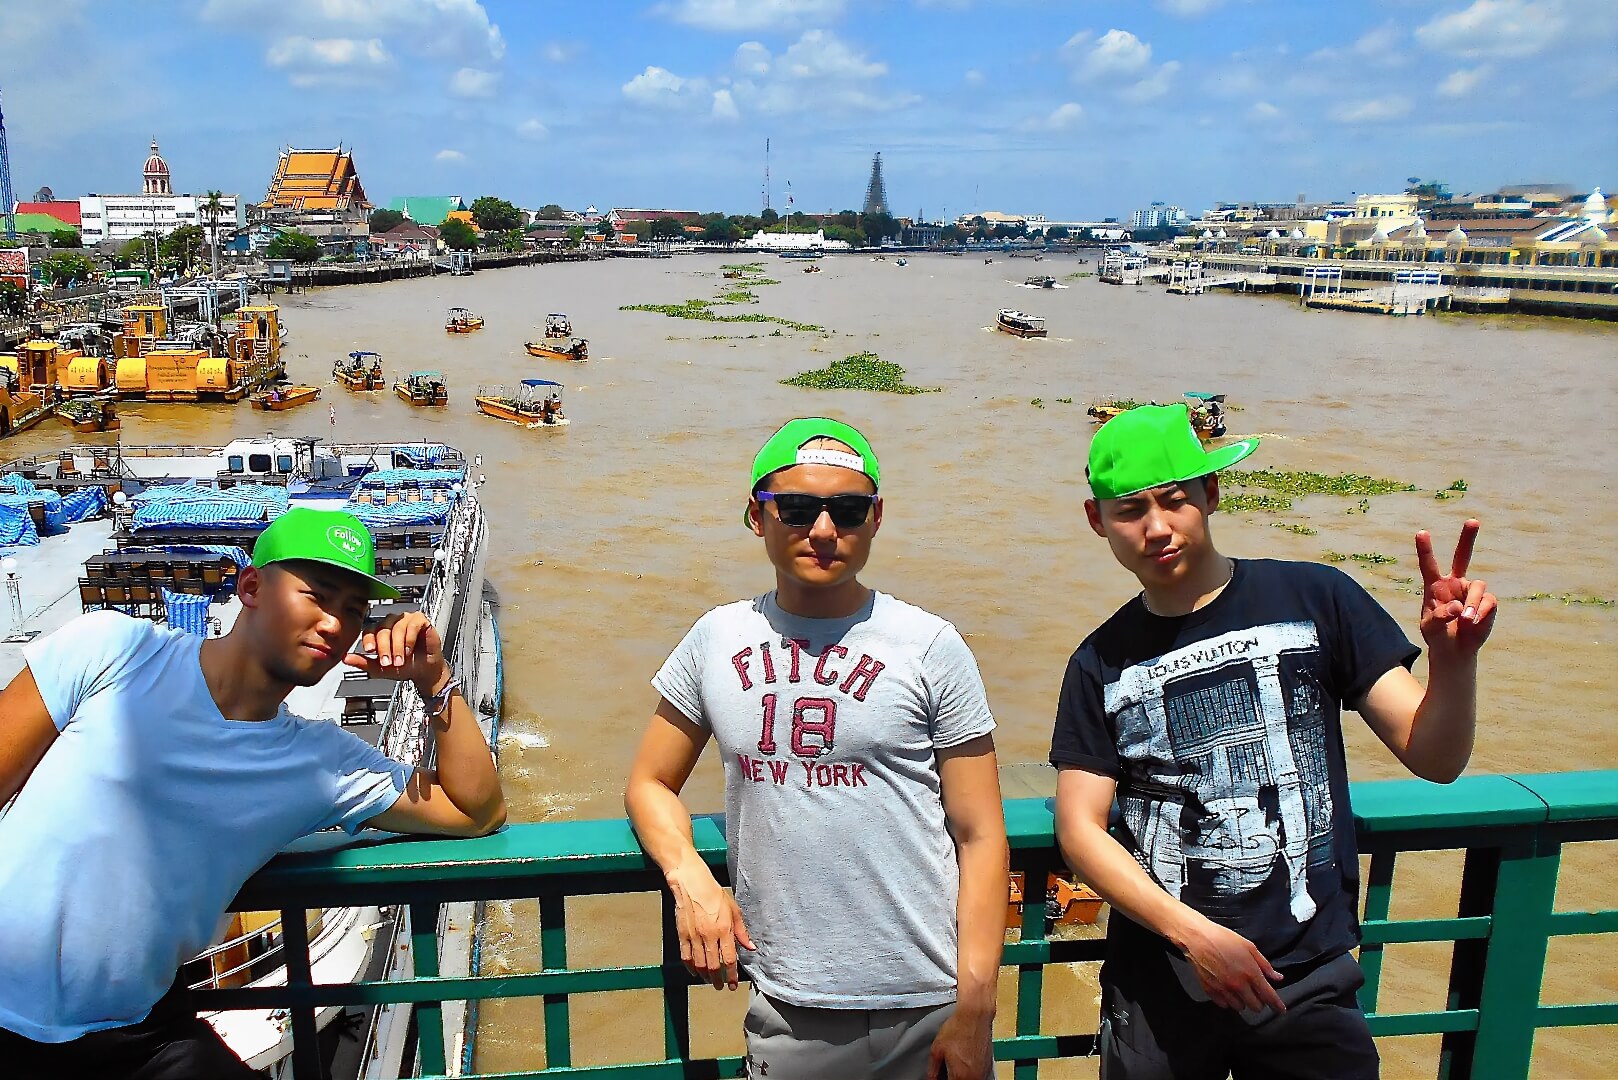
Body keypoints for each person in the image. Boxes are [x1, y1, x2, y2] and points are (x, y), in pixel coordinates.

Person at [1049, 404, 1497, 1079]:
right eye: (1130, 510)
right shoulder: (1098, 663)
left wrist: (1454, 663)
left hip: (1307, 980)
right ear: (1097, 521)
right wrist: (1193, 936)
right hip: (1162, 987)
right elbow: (1080, 829)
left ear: (1212, 494)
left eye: (1175, 501)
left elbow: (1435, 756)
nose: (1158, 528)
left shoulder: (1318, 597)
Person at [0, 506, 506, 1079]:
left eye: (354, 611)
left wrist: (435, 682)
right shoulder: (114, 651)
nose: (336, 625)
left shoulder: (321, 763)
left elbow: (478, 811)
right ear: (250, 588)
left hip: (134, 1034)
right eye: (318, 596)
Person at [625, 418, 1008, 1080]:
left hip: (928, 998)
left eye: (848, 510)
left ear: (875, 519)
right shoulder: (717, 638)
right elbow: (649, 783)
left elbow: (980, 835)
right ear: (757, 515)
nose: (824, 530)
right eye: (797, 508)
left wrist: (975, 1009)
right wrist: (690, 876)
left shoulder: (931, 646)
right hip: (787, 998)